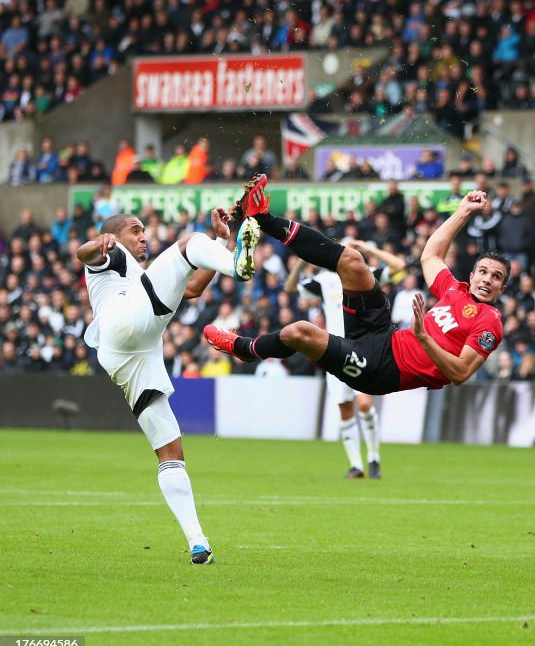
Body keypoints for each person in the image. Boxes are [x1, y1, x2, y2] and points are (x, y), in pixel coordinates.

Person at [78, 183, 261, 565]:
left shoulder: (139, 273)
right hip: (123, 323)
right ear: (116, 234)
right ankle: (237, 263)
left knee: (170, 452)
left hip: (130, 355)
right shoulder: (110, 257)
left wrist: (223, 244)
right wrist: (99, 242)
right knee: (190, 240)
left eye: (144, 231)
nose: (143, 237)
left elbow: (192, 289)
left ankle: (198, 542)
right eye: (135, 231)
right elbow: (83, 253)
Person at [204, 176, 507, 396]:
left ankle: (245, 348)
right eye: (483, 271)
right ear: (472, 275)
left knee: (300, 331)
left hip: (380, 371)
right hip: (383, 333)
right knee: (352, 260)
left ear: (502, 289)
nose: (487, 279)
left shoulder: (489, 321)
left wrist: (423, 338)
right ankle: (264, 218)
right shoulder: (456, 290)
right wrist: (464, 210)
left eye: (496, 277)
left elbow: (460, 373)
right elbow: (431, 255)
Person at [283, 239, 409, 480]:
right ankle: (356, 465)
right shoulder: (325, 281)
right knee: (345, 410)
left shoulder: (368, 275)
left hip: (364, 348)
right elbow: (290, 289)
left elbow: (399, 267)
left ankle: (374, 458)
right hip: (336, 350)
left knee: (364, 404)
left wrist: (369, 249)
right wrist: (301, 263)